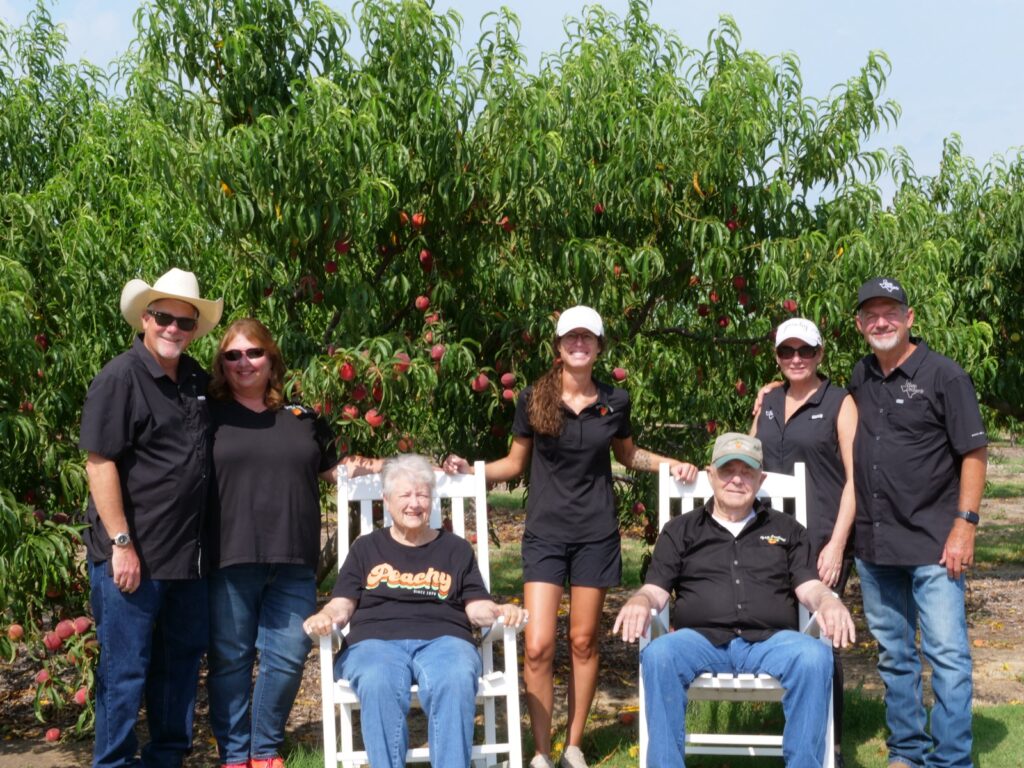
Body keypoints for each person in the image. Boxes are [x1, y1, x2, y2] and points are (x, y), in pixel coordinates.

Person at [442, 305, 698, 768]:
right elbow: (513, 464)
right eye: (570, 338)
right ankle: (541, 752)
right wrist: (472, 469)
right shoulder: (534, 397)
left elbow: (629, 454)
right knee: (538, 644)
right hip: (544, 535)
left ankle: (573, 746)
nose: (579, 345)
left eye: (588, 338)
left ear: (599, 346)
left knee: (583, 641)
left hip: (596, 535)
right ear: (559, 347)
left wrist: (671, 465)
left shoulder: (615, 400)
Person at [613, 432, 856, 768]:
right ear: (711, 474)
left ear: (761, 478)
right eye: (728, 470)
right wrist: (640, 600)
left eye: (747, 471)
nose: (737, 479)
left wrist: (828, 601)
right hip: (698, 640)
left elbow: (808, 586)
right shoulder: (680, 530)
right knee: (658, 655)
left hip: (771, 641)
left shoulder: (788, 530)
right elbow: (655, 589)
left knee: (815, 657)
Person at [205, 318, 382, 768]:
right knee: (231, 660)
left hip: (293, 558)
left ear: (272, 359)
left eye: (254, 352)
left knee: (287, 655)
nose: (245, 362)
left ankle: (263, 749)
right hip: (229, 556)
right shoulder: (207, 416)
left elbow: (334, 470)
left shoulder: (303, 419)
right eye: (233, 355)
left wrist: (384, 467)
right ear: (222, 365)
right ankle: (233, 754)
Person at [80, 267, 223, 768]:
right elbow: (100, 464)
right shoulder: (119, 377)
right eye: (164, 317)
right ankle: (113, 763)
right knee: (125, 673)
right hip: (132, 558)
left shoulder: (195, 379)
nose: (173, 329)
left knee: (179, 669)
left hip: (187, 561)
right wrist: (121, 543)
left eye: (184, 322)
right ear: (145, 318)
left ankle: (165, 759)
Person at [303, 454, 527, 768]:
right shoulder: (365, 548)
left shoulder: (455, 548)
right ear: (387, 499)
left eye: (422, 494)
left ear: (431, 499)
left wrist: (500, 611)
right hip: (374, 643)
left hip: (445, 641)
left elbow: (476, 605)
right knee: (378, 679)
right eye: (405, 495)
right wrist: (327, 615)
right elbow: (343, 603)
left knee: (455, 676)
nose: (414, 503)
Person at [849, 277, 987, 768]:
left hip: (935, 544)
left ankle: (951, 760)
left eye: (890, 312)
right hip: (876, 545)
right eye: (871, 314)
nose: (880, 321)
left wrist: (964, 525)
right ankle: (907, 751)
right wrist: (774, 391)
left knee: (948, 657)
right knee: (895, 656)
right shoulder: (860, 375)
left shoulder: (944, 376)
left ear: (910, 318)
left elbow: (973, 452)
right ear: (861, 324)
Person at [751, 317, 858, 765]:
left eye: (805, 351)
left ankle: (824, 739)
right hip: (772, 538)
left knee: (820, 634)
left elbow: (856, 480)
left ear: (820, 354)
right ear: (777, 356)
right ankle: (793, 727)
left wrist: (836, 544)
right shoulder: (769, 400)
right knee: (784, 631)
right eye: (787, 352)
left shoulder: (840, 402)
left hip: (822, 538)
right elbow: (749, 463)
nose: (796, 359)